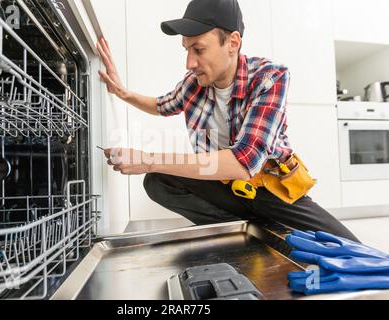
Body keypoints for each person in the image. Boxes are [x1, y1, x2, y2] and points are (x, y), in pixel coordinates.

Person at [96, 0, 359, 242]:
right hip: (225, 188)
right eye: (187, 49)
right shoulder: (193, 84)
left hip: (271, 189)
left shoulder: (269, 78)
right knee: (158, 181)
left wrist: (146, 159)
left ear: (232, 43)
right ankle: (247, 233)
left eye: (198, 49)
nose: (190, 62)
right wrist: (122, 92)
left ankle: (259, 228)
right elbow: (161, 105)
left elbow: (245, 162)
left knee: (354, 250)